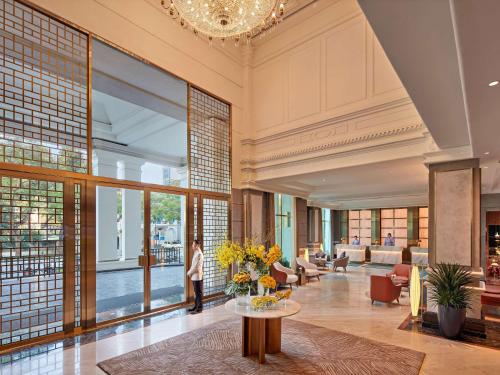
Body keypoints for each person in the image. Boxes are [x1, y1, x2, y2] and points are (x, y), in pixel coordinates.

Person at [187, 239, 204, 314]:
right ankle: (196, 306)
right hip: (194, 276)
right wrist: (190, 272)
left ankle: (199, 308)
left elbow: (196, 267)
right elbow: (193, 265)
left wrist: (189, 273)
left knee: (198, 293)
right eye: (192, 245)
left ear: (197, 246)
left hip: (197, 276)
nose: (192, 246)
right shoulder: (196, 253)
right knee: (196, 292)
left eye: (193, 245)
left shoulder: (199, 254)